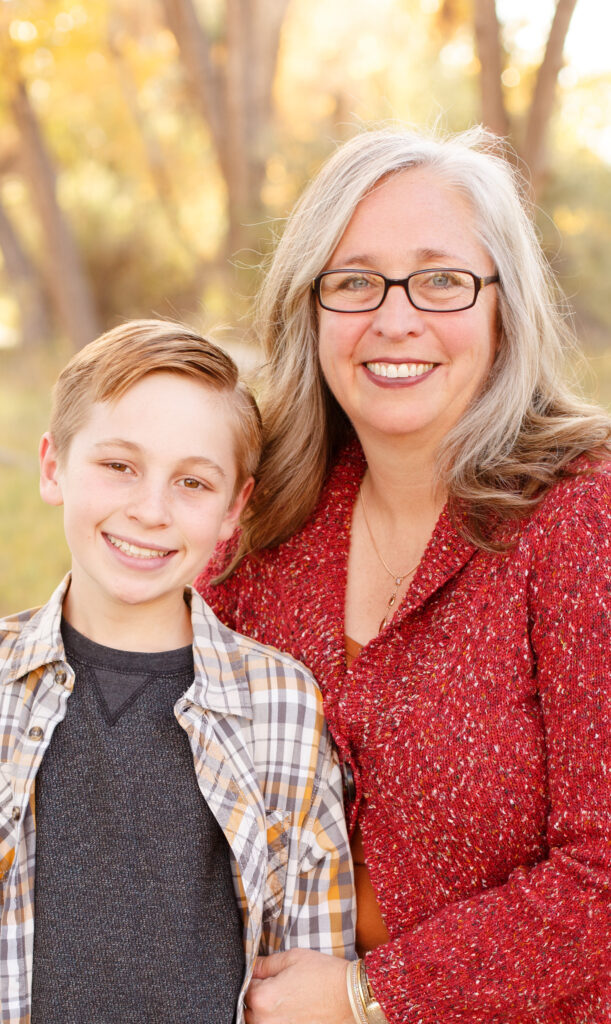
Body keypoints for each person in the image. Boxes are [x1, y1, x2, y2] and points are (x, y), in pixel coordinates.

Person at [192, 126, 610, 1023]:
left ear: (504, 307)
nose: (393, 318)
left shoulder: (584, 520)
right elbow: (123, 703)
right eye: (353, 280)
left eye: (441, 279)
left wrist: (365, 996)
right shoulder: (267, 525)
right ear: (309, 309)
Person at [0, 320, 355, 1024]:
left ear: (233, 510)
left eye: (191, 481)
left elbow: (307, 945)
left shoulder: (282, 707)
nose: (149, 510)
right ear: (53, 465)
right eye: (119, 465)